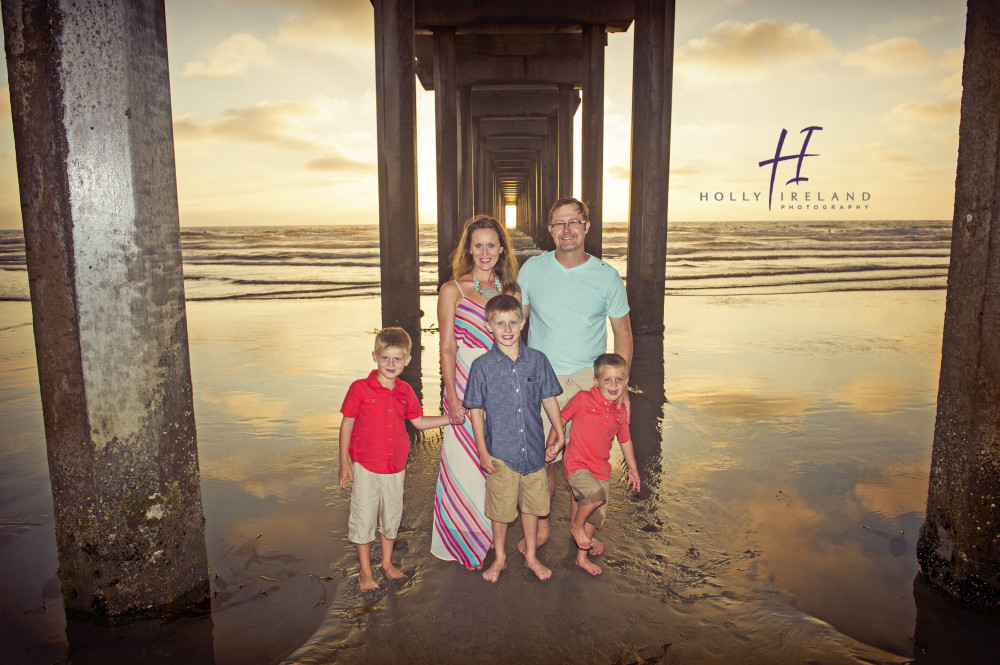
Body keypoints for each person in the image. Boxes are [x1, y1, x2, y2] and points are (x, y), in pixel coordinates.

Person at [517, 196, 633, 556]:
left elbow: (623, 332)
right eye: (559, 224)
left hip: (589, 381)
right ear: (550, 230)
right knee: (545, 459)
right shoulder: (532, 271)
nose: (566, 230)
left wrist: (621, 385)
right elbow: (514, 324)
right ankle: (544, 524)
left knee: (583, 462)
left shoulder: (605, 276)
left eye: (573, 222)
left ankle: (578, 528)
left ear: (586, 227)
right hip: (542, 378)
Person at [431, 215, 520, 570]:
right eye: (478, 245)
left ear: (501, 250)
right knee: (460, 466)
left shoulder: (509, 291)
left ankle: (486, 542)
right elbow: (448, 348)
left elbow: (514, 346)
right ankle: (460, 544)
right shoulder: (452, 289)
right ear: (469, 249)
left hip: (498, 392)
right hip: (464, 388)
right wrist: (452, 396)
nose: (485, 252)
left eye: (491, 245)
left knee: (493, 468)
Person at [339, 327, 454, 591]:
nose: (391, 364)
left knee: (391, 516)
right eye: (385, 358)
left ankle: (387, 564)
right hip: (366, 465)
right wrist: (344, 463)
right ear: (375, 356)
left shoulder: (405, 391)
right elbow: (346, 424)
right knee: (364, 516)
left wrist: (451, 418)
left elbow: (419, 421)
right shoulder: (359, 389)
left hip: (395, 466)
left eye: (397, 359)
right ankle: (365, 572)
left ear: (407, 360)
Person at [463, 294, 564, 583]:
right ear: (488, 327)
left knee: (532, 506)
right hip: (501, 452)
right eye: (500, 323)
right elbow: (476, 412)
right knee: (501, 509)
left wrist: (560, 432)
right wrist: (482, 451)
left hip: (533, 451)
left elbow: (549, 399)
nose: (507, 329)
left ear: (522, 323)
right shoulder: (482, 367)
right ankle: (500, 558)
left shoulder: (538, 360)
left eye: (513, 322)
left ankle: (531, 556)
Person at [546, 353, 640, 576]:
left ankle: (582, 557)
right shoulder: (582, 399)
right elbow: (561, 419)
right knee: (595, 496)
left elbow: (625, 440)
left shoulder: (620, 412)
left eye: (619, 379)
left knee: (594, 514)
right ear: (596, 382)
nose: (613, 384)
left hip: (601, 468)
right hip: (577, 463)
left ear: (626, 381)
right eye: (607, 379)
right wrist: (553, 443)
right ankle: (575, 527)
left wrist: (633, 469)